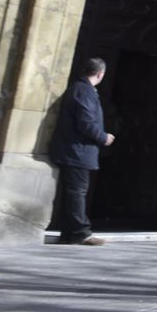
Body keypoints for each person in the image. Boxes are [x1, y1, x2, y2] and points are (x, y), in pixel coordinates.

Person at [47, 57, 115, 246]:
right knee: (77, 192)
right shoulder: (83, 91)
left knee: (72, 192)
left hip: (75, 150)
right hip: (77, 151)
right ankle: (81, 232)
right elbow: (86, 122)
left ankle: (68, 233)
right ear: (100, 74)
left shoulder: (80, 89)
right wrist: (103, 137)